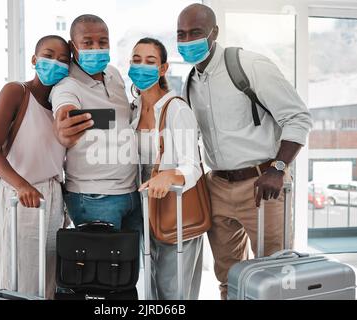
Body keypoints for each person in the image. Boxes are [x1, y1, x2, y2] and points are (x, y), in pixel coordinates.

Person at [177, 4, 313, 299]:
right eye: (181, 34)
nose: (187, 40)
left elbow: (298, 118)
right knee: (229, 278)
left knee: (274, 276)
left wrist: (277, 169)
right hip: (217, 186)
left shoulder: (248, 65)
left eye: (195, 33)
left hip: (263, 185)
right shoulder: (189, 82)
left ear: (214, 32)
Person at [0, 35, 71, 299]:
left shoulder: (61, 107)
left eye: (63, 60)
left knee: (47, 278)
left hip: (52, 199)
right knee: (17, 275)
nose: (55, 62)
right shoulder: (16, 92)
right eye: (48, 55)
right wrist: (22, 186)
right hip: (19, 196)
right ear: (34, 59)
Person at [51, 15, 142, 233]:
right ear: (73, 47)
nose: (96, 48)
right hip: (94, 198)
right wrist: (64, 127)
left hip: (131, 192)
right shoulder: (67, 85)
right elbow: (65, 115)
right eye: (87, 42)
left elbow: (120, 120)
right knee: (102, 268)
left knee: (131, 266)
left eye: (103, 42)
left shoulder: (113, 74)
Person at [129, 37, 203, 300]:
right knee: (150, 287)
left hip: (175, 208)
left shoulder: (176, 109)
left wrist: (170, 175)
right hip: (145, 209)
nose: (141, 66)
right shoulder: (134, 109)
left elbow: (193, 166)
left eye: (150, 61)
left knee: (174, 291)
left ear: (163, 69)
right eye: (136, 60)